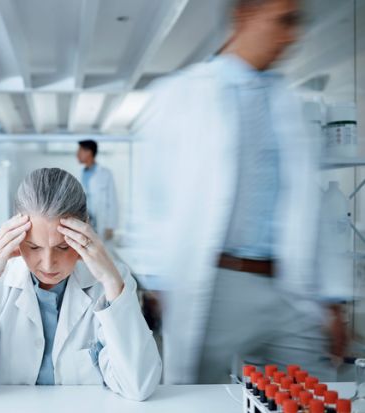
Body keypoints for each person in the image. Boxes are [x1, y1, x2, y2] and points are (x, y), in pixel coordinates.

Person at [132, 0, 351, 384]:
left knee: (311, 393)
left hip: (289, 285)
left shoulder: (289, 103)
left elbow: (310, 206)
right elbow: (153, 196)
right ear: (245, 16)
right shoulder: (182, 95)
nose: (292, 36)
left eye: (296, 23)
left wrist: (331, 297)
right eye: (284, 21)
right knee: (201, 401)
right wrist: (157, 282)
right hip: (216, 283)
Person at [0, 168, 161, 401]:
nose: (49, 263)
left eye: (63, 247)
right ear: (15, 232)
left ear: (85, 229)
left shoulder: (110, 281)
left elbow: (138, 385)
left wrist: (112, 283)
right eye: (33, 247)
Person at [77, 140, 118, 241]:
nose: (77, 154)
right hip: (85, 220)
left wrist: (110, 225)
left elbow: (112, 201)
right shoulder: (80, 173)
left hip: (101, 222)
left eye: (80, 151)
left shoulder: (105, 173)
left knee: (100, 250)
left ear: (89, 152)